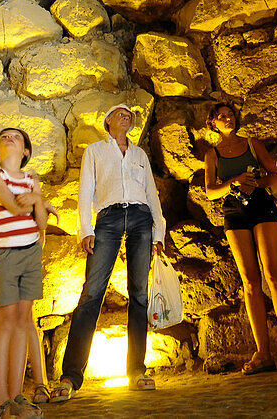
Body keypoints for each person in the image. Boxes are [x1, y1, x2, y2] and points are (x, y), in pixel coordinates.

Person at [50, 104, 166, 402]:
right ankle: (71, 376)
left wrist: (160, 231)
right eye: (121, 113)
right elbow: (86, 189)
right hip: (109, 218)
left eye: (130, 115)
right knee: (92, 293)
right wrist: (85, 229)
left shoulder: (139, 154)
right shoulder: (96, 151)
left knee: (139, 294)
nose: (127, 116)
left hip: (141, 218)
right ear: (108, 121)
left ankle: (136, 371)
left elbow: (151, 193)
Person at [204, 102, 277, 375]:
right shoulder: (212, 155)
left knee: (274, 276)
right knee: (250, 282)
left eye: (230, 114)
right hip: (234, 215)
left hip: (262, 208)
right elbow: (210, 191)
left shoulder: (252, 144)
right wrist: (234, 182)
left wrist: (256, 183)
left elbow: (275, 176)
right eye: (221, 116)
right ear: (213, 123)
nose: (228, 118)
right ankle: (263, 352)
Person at [0, 127, 49, 419]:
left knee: (21, 323)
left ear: (26, 152)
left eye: (16, 137)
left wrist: (37, 201)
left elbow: (40, 223)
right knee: (2, 325)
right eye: (3, 137)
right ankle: (0, 403)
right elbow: (11, 204)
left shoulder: (33, 180)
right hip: (3, 253)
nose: (9, 138)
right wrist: (33, 201)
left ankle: (17, 396)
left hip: (30, 253)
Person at [0, 198, 58, 408]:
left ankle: (40, 383)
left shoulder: (28, 205)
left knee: (26, 320)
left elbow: (40, 239)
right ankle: (0, 387)